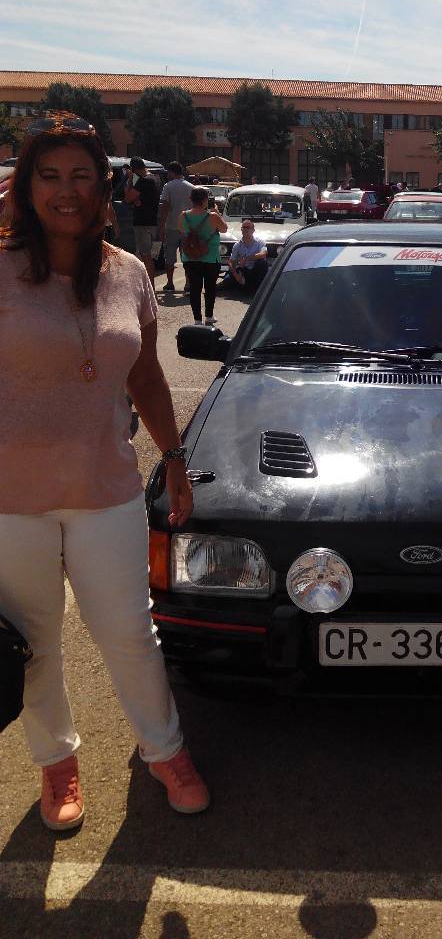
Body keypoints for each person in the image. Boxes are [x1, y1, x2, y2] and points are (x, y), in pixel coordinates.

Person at [0, 112, 210, 830]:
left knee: (129, 632)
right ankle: (57, 766)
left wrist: (175, 461)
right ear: (25, 186)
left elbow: (148, 378)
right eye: (49, 176)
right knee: (35, 644)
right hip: (9, 501)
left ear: (104, 186)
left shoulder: (129, 273)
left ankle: (166, 751)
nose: (65, 191)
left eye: (81, 176)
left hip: (106, 490)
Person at [178, 187, 226, 326]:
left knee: (194, 288)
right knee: (210, 288)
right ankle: (209, 316)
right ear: (205, 200)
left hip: (190, 257)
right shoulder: (212, 216)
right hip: (210, 258)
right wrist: (216, 212)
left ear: (191, 200)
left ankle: (197, 319)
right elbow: (224, 229)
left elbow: (181, 230)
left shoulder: (183, 215)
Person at [157, 162, 193, 293]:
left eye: (168, 172)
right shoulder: (191, 187)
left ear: (172, 172)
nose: (167, 174)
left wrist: (161, 226)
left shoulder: (168, 186)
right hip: (187, 228)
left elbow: (165, 206)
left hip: (172, 226)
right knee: (187, 257)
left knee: (170, 256)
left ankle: (170, 283)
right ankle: (188, 284)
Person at [124, 157, 160, 287]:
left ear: (134, 169)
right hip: (152, 221)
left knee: (145, 255)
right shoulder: (155, 179)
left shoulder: (143, 181)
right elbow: (138, 199)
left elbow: (128, 197)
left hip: (143, 223)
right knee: (147, 255)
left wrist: (129, 180)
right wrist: (136, 201)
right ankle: (148, 286)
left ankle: (150, 288)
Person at [223, 218, 268, 292]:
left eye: (248, 227)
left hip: (256, 271)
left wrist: (246, 259)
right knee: (231, 278)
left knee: (262, 263)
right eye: (244, 227)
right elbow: (231, 261)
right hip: (244, 270)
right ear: (241, 229)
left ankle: (257, 288)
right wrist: (236, 275)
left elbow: (264, 253)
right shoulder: (237, 245)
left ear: (253, 230)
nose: (245, 229)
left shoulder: (260, 242)